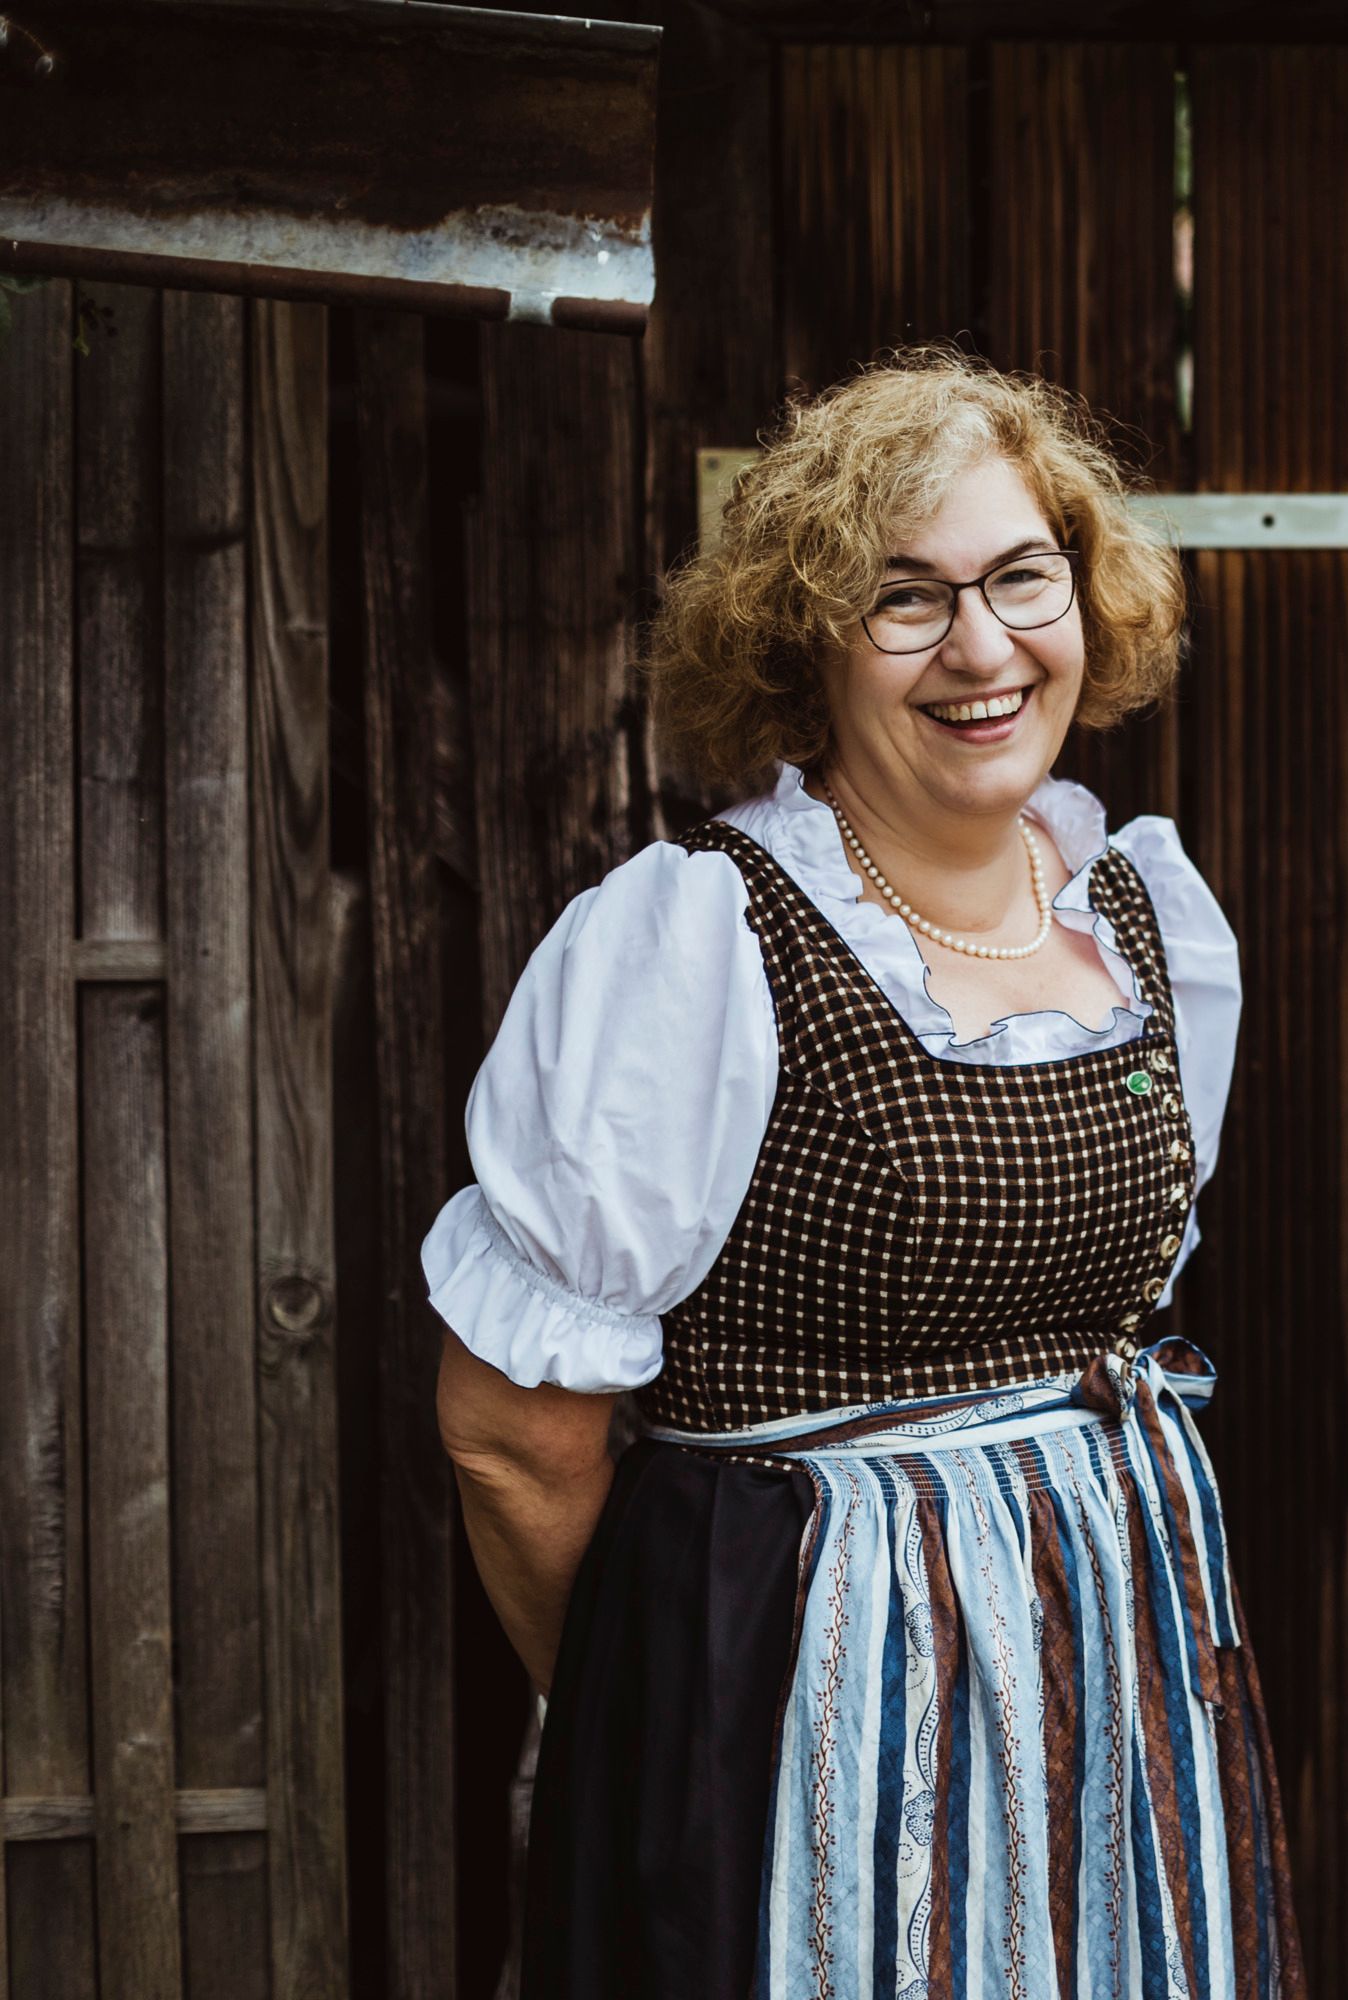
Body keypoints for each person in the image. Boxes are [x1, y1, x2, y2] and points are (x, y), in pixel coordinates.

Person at [427, 350, 1302, 1999]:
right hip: (797, 1699)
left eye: (1021, 578)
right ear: (804, 648)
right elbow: (508, 1439)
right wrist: (668, 1712)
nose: (981, 648)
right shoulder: (698, 941)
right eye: (905, 601)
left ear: (1087, 600)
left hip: (1110, 1662)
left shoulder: (1143, 922)